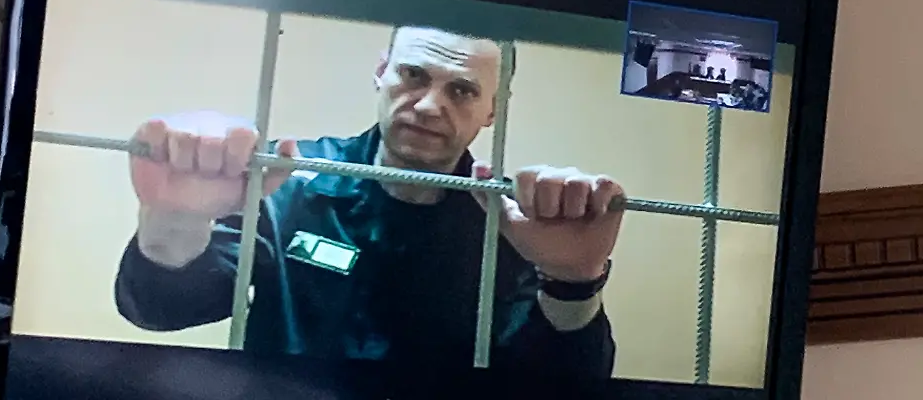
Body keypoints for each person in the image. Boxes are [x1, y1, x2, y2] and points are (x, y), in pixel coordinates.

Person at [114, 26, 627, 385]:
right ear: (381, 72)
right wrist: (175, 222)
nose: (429, 105)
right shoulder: (289, 181)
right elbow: (163, 309)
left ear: (492, 110)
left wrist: (574, 281)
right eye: (414, 74)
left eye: (462, 90)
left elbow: (559, 385)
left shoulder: (517, 223)